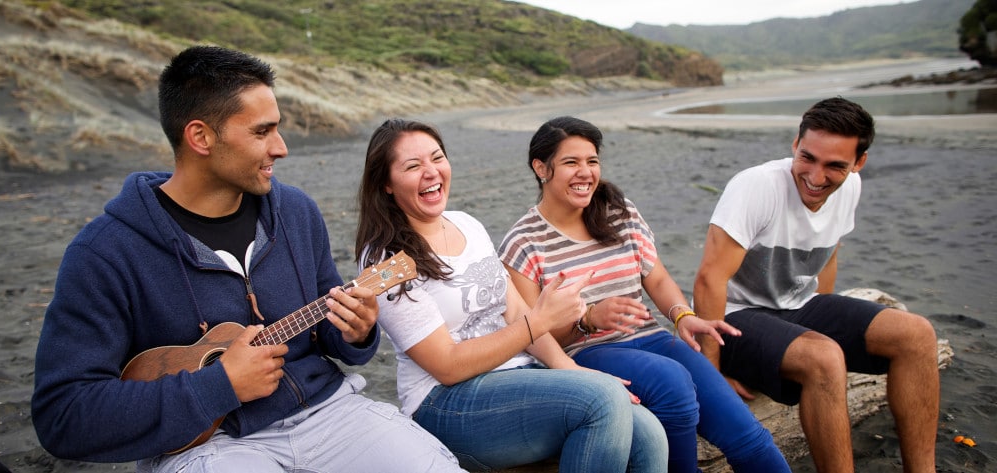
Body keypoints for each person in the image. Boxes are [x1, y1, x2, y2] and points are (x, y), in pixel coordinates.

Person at [31, 46, 464, 473]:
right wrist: (216, 387)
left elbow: (336, 342)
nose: (281, 147)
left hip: (329, 413)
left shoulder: (296, 212)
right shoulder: (106, 252)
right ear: (200, 137)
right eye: (262, 132)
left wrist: (355, 331)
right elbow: (63, 415)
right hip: (209, 446)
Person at [354, 118, 669, 472]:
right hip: (444, 403)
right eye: (413, 166)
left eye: (437, 157)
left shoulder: (467, 224)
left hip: (518, 374)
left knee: (648, 433)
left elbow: (514, 308)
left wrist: (574, 369)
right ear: (386, 184)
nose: (431, 172)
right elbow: (447, 366)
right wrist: (538, 323)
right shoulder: (385, 259)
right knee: (603, 401)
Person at [499, 116, 790, 473]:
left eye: (592, 161)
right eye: (571, 162)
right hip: (586, 354)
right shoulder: (522, 243)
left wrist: (682, 315)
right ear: (541, 168)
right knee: (672, 384)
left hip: (652, 339)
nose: (585, 172)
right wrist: (589, 320)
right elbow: (531, 335)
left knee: (747, 435)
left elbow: (658, 278)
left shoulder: (619, 213)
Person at [692, 97, 939, 472]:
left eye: (835, 166)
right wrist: (712, 378)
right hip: (735, 317)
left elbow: (829, 254)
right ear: (795, 143)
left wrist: (819, 327)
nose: (816, 176)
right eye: (807, 158)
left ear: (859, 163)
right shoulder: (756, 186)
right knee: (823, 357)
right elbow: (710, 280)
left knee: (917, 334)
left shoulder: (851, 188)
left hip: (798, 305)